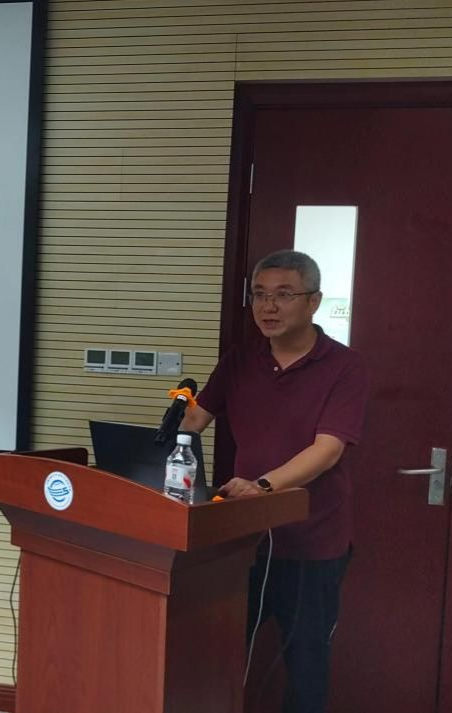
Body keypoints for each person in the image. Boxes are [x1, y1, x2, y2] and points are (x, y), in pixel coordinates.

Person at [179, 249, 368, 713]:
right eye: (260, 295)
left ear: (314, 301)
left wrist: (262, 487)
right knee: (217, 653)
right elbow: (195, 421)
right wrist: (163, 440)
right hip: (239, 540)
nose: (268, 306)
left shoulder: (344, 366)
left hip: (312, 543)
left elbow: (328, 450)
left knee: (306, 665)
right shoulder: (240, 360)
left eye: (284, 295)